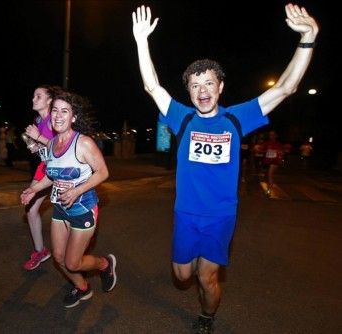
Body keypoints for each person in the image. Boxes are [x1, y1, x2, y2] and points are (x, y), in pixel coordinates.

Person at [132, 4, 318, 333]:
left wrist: (308, 39)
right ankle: (194, 281)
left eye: (208, 84)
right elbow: (152, 87)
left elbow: (285, 88)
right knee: (182, 276)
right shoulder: (182, 117)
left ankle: (207, 317)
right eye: (195, 85)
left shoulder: (236, 118)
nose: (202, 91)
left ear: (220, 87)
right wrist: (141, 41)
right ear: (189, 92)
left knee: (207, 277)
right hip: (186, 213)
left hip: (220, 215)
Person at [20, 90, 117, 308]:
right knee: (59, 257)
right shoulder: (52, 144)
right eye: (55, 110)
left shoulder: (83, 143)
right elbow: (50, 175)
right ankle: (82, 287)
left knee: (73, 262)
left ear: (73, 117)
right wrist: (33, 189)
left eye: (65, 111)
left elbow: (102, 172)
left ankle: (104, 264)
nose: (58, 115)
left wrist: (76, 190)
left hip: (83, 208)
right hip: (61, 208)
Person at [20, 84, 61, 270]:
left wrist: (39, 137)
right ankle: (40, 251)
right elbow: (47, 149)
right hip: (44, 168)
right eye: (33, 96)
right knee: (30, 208)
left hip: (61, 169)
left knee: (67, 214)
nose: (33, 99)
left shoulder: (55, 119)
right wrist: (37, 147)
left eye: (38, 96)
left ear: (49, 100)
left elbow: (62, 146)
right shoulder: (40, 121)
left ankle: (74, 257)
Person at [262, 130, 283, 196]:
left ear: (276, 136)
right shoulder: (267, 143)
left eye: (273, 134)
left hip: (274, 162)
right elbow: (262, 150)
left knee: (270, 174)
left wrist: (280, 155)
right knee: (267, 177)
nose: (271, 136)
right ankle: (269, 188)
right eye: (270, 135)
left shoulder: (278, 144)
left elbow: (281, 152)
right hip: (267, 162)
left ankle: (269, 191)